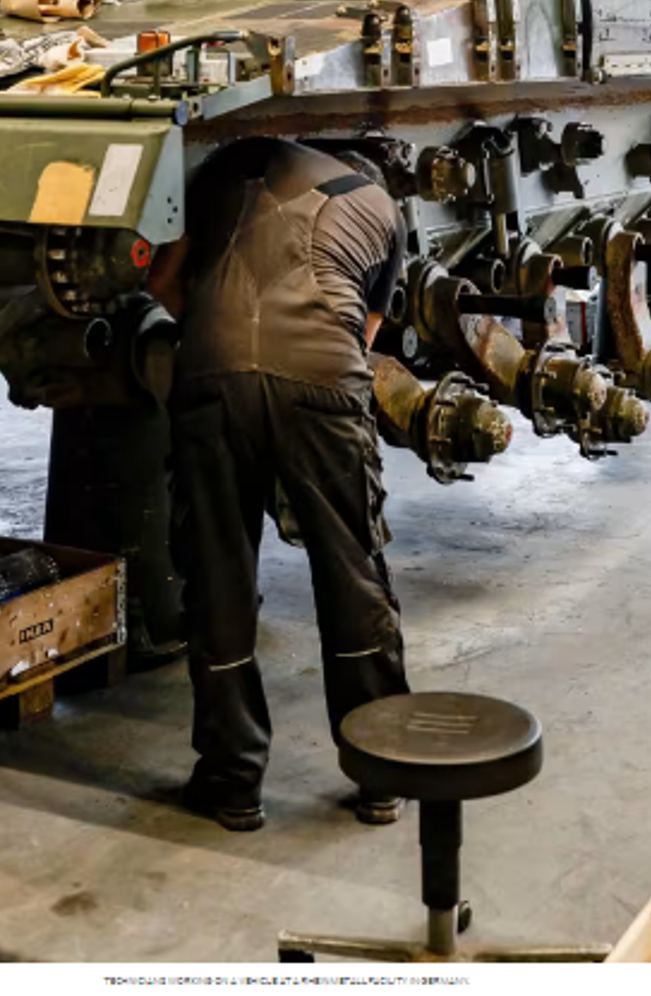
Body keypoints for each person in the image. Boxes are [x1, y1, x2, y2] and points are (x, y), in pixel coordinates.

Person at [149, 138, 410, 833]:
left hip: (212, 370)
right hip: (322, 374)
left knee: (219, 576)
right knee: (352, 571)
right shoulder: (382, 208)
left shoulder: (221, 172)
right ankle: (380, 774)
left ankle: (232, 782)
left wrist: (222, 337)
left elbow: (165, 285)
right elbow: (364, 333)